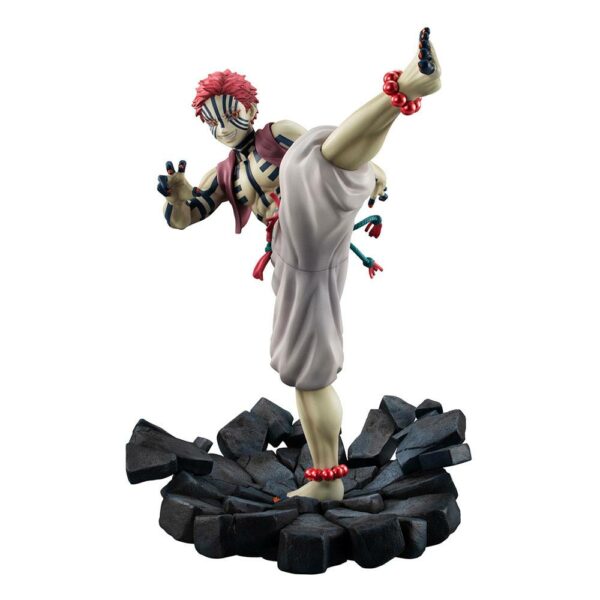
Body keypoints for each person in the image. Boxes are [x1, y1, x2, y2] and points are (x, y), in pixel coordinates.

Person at [157, 28, 441, 501]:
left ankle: (404, 87)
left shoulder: (280, 135)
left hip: (316, 225)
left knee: (304, 163)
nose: (224, 127)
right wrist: (178, 196)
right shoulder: (225, 173)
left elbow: (334, 154)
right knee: (304, 369)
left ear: (251, 109)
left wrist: (371, 169)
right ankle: (404, 90)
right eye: (213, 122)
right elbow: (184, 220)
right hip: (293, 253)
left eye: (231, 114)